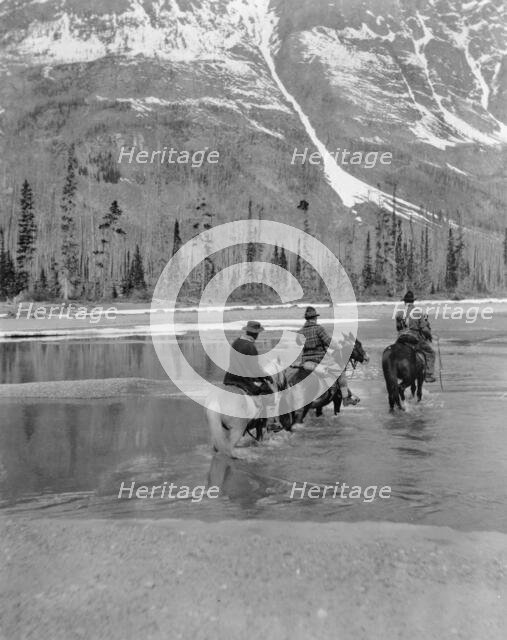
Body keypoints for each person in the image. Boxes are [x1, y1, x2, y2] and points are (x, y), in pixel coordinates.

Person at [296, 306, 359, 406]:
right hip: (320, 360)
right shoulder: (318, 329)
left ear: (306, 319)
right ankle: (345, 398)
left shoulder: (300, 332)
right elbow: (329, 343)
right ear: (315, 318)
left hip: (305, 361)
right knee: (340, 372)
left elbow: (298, 345)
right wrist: (339, 347)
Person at [395, 291, 436, 383]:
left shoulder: (399, 313)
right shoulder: (418, 312)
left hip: (401, 339)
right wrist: (429, 335)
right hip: (413, 338)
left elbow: (398, 328)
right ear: (413, 302)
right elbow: (424, 330)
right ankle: (428, 375)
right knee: (430, 353)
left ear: (404, 302)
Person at [223, 320, 273, 395]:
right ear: (256, 334)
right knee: (269, 391)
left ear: (247, 331)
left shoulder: (236, 342)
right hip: (243, 380)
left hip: (229, 378)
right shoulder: (251, 347)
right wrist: (266, 376)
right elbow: (255, 369)